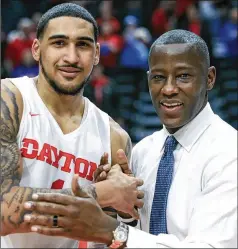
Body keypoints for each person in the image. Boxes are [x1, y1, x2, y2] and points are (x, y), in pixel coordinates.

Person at [24, 29, 237, 248]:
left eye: (184, 76)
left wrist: (111, 230)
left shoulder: (229, 153)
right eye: (158, 77)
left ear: (209, 78)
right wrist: (123, 209)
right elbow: (140, 234)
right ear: (148, 80)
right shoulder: (143, 151)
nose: (169, 89)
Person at [0, 3, 144, 248]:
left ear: (97, 53)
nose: (71, 57)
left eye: (83, 45)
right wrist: (103, 192)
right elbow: (4, 212)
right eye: (59, 43)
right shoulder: (10, 100)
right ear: (36, 49)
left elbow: (109, 235)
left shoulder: (114, 136)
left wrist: (124, 211)